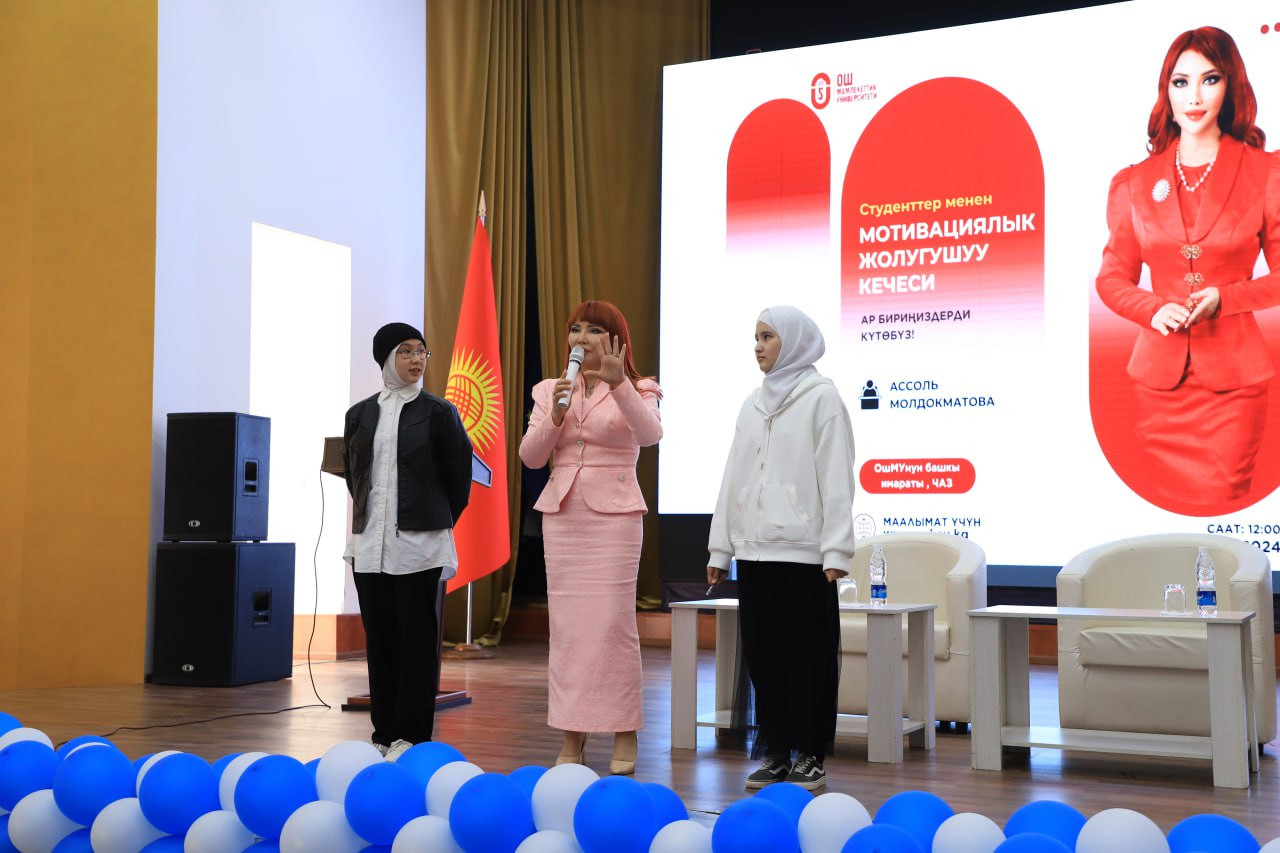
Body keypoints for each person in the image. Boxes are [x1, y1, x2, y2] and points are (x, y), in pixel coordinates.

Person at [1096, 26, 1280, 504]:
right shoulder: (1133, 183)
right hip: (1158, 388)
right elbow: (1112, 278)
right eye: (1181, 82)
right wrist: (1152, 308)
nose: (1194, 97)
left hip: (1234, 389)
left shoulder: (1266, 173)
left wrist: (1226, 298)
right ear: (1167, 91)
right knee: (1167, 519)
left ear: (1230, 86)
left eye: (1209, 79)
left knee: (1220, 511)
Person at [706, 306, 855, 791]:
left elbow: (836, 477)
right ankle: (775, 752)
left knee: (809, 658)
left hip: (806, 557)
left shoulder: (822, 398)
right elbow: (733, 477)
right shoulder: (751, 404)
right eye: (756, 337)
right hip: (754, 554)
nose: (758, 346)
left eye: (768, 336)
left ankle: (810, 754)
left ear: (793, 341)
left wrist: (836, 551)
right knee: (765, 658)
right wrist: (720, 549)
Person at [518, 300, 662, 775]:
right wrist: (555, 416)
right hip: (564, 516)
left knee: (612, 627)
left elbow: (649, 434)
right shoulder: (549, 389)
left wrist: (619, 385)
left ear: (616, 339)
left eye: (594, 330)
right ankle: (571, 733)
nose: (581, 338)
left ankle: (624, 731)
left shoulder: (641, 387)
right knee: (569, 631)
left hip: (615, 519)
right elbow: (531, 457)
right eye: (575, 329)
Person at [343, 322, 473, 760]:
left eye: (422, 351)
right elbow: (355, 476)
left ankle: (412, 736)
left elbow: (458, 480)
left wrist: (430, 518)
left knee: (416, 643)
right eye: (406, 351)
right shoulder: (359, 414)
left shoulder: (439, 413)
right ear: (385, 358)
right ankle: (383, 733)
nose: (417, 359)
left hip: (419, 546)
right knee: (380, 641)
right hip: (369, 544)